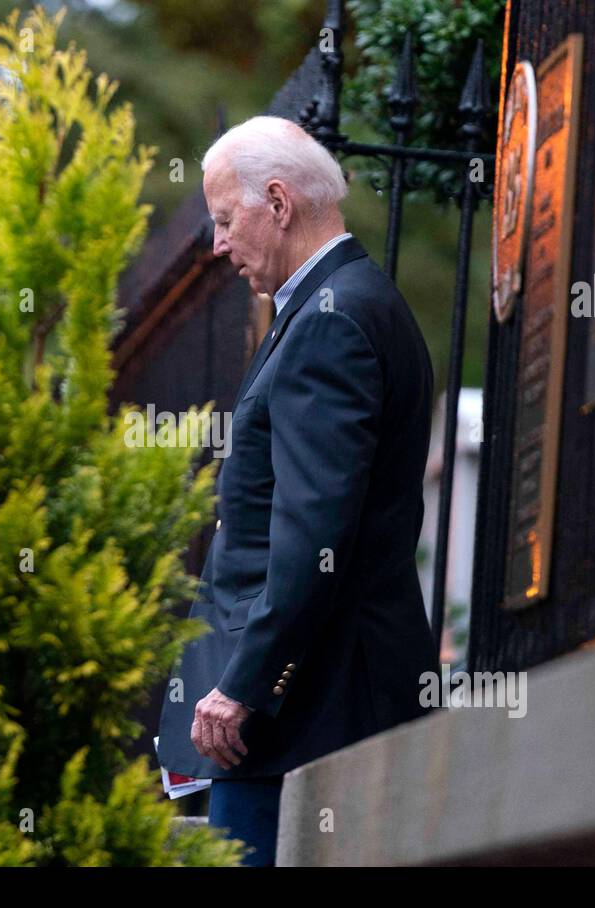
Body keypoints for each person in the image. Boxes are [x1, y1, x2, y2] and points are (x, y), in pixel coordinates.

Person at [156, 115, 439, 866]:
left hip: (302, 716)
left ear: (277, 203)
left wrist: (242, 685)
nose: (217, 246)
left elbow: (314, 531)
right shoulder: (346, 303)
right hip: (314, 705)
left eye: (223, 220)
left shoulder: (332, 321)